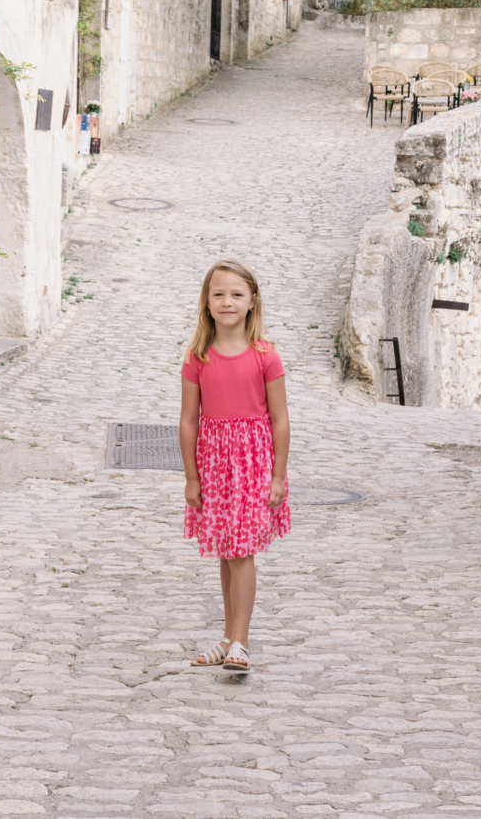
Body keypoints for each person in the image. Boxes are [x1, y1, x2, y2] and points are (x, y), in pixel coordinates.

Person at [179, 259, 290, 672]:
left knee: (241, 551)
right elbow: (189, 419)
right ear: (207, 303)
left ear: (252, 302)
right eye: (219, 294)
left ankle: (241, 641)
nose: (227, 302)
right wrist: (192, 476)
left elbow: (279, 418)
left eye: (236, 294)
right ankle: (228, 638)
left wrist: (277, 475)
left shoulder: (265, 355)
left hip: (252, 463)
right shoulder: (197, 356)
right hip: (214, 464)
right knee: (227, 551)